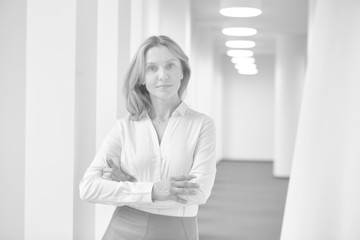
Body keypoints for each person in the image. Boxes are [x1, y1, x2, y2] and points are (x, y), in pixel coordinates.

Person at [79, 35, 217, 240]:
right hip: (122, 229)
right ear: (142, 77)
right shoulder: (124, 127)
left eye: (170, 66)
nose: (163, 75)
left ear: (182, 71)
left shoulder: (202, 125)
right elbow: (88, 188)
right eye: (152, 68)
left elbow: (198, 192)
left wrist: (128, 184)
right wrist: (152, 190)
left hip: (176, 230)